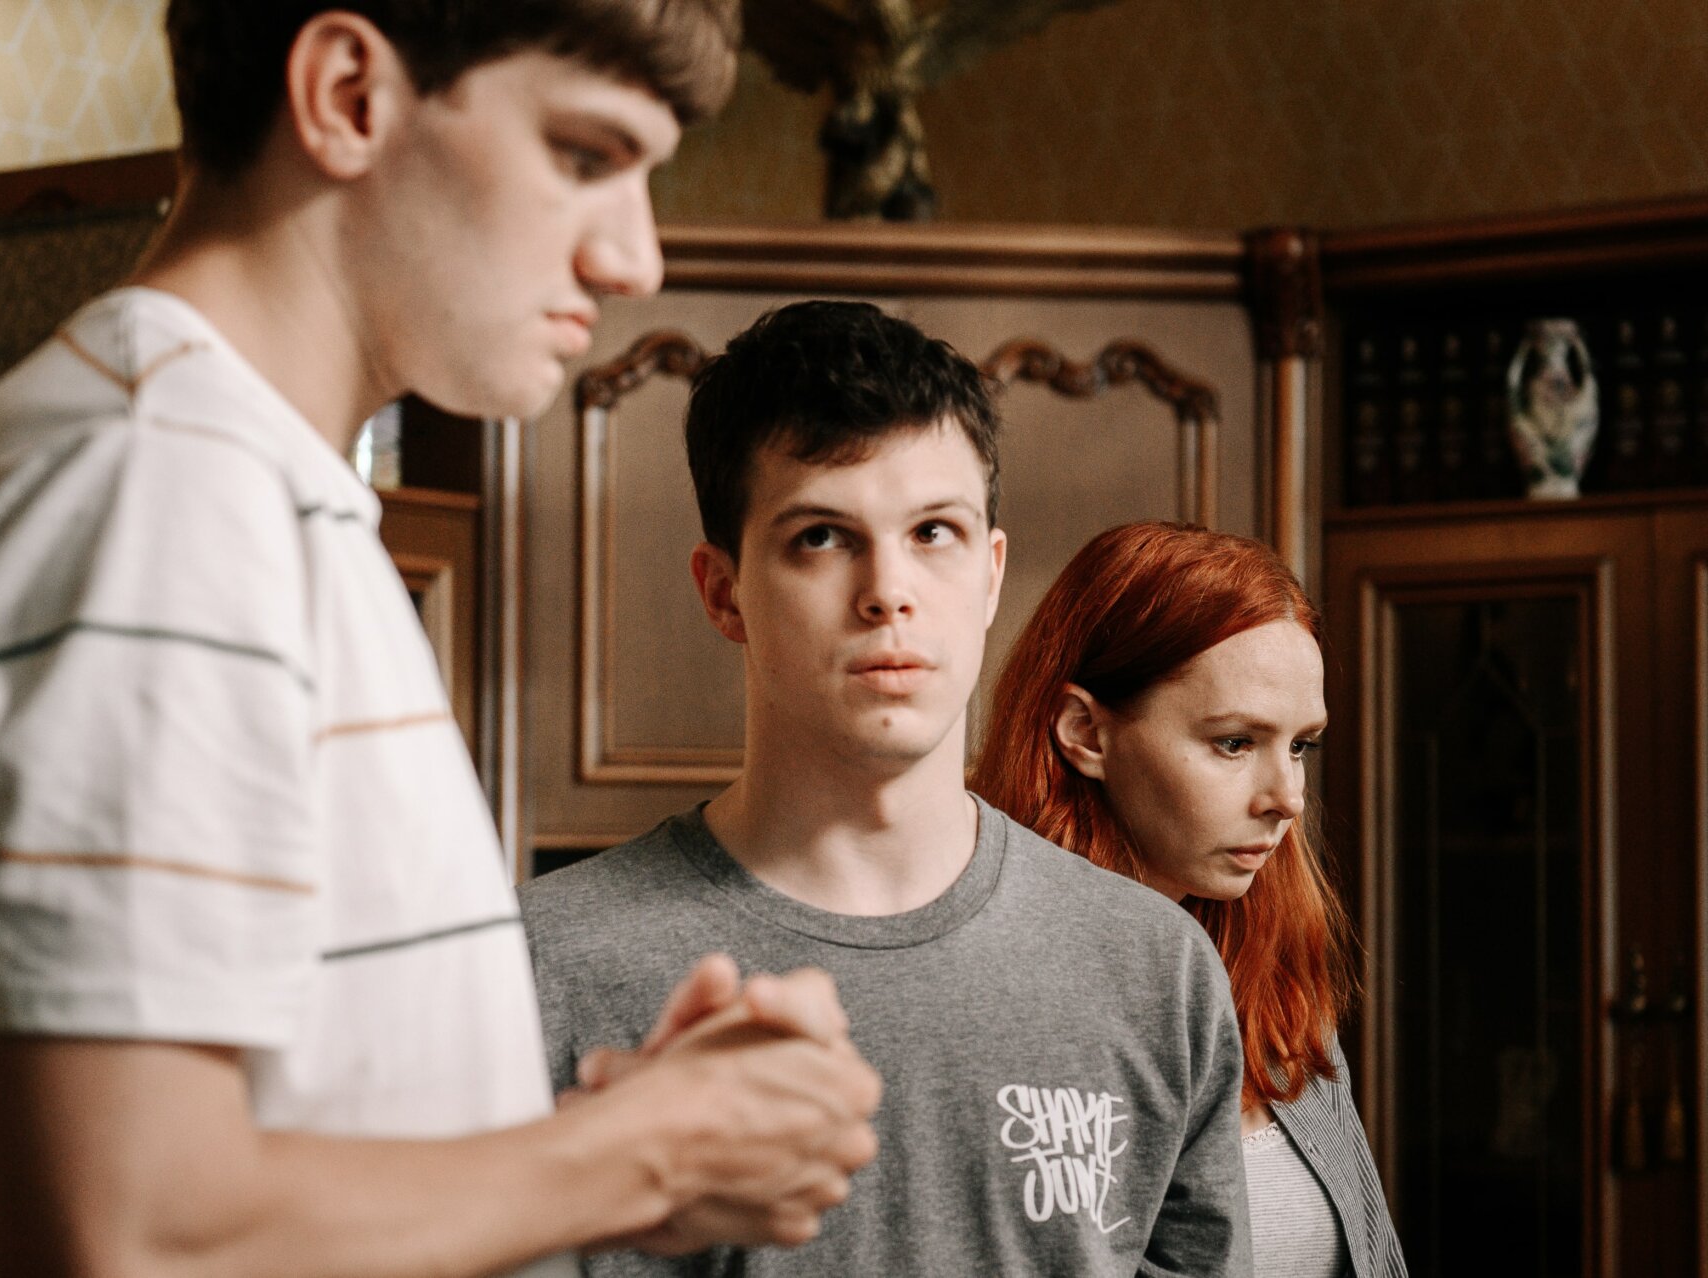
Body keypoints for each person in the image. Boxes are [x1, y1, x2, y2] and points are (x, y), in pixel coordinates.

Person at [0, 4, 884, 1276]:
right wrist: (642, 1150)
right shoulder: (163, 491)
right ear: (347, 96)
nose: (635, 259)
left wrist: (607, 1156)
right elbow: (133, 1237)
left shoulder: (222, 479)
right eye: (586, 155)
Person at [520, 300, 1254, 1276]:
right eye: (822, 537)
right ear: (723, 591)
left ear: (991, 575)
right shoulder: (539, 967)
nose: (888, 592)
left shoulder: (1155, 968)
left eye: (934, 531)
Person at [971, 520, 1408, 1278]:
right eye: (1235, 743)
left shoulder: (1273, 982)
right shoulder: (991, 996)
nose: (1287, 797)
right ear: (1086, 733)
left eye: (1300, 745)